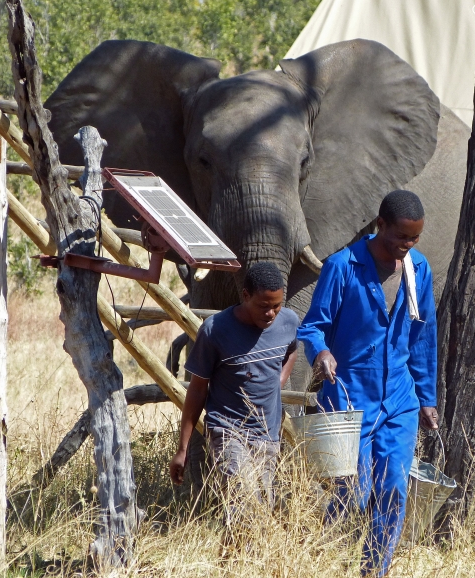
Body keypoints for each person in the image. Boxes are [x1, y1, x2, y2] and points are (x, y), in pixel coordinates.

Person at [297, 189, 439, 577]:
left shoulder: (418, 268)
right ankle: (322, 562)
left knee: (393, 489)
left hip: (399, 400)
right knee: (352, 493)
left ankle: (373, 571)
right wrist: (321, 352)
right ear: (380, 225)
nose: (406, 246)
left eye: (414, 239)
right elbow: (312, 326)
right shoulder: (342, 266)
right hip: (349, 397)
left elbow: (422, 337)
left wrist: (426, 397)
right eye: (400, 237)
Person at [169, 261, 299, 524]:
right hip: (228, 430)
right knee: (244, 502)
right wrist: (183, 448)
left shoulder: (288, 321)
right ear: (246, 295)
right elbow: (197, 389)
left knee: (259, 512)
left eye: (276, 306)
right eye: (263, 306)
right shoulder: (216, 330)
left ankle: (230, 551)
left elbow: (292, 350)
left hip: (267, 433)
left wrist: (278, 381)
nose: (271, 313)